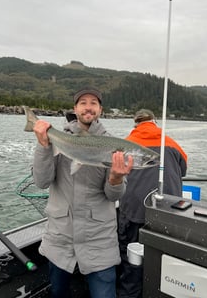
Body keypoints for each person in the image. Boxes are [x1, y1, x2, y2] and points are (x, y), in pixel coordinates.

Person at [32, 87, 133, 298]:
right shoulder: (57, 138)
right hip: (60, 239)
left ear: (100, 109)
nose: (88, 107)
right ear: (75, 108)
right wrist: (43, 146)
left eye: (93, 103)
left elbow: (114, 196)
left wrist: (116, 178)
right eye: (83, 102)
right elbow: (41, 182)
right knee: (58, 293)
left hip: (99, 241)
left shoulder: (114, 146)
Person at [117, 109, 187, 298]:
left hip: (133, 212)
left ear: (136, 124)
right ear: (154, 122)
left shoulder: (124, 144)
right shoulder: (171, 143)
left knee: (131, 263)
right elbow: (184, 168)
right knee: (163, 263)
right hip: (168, 215)